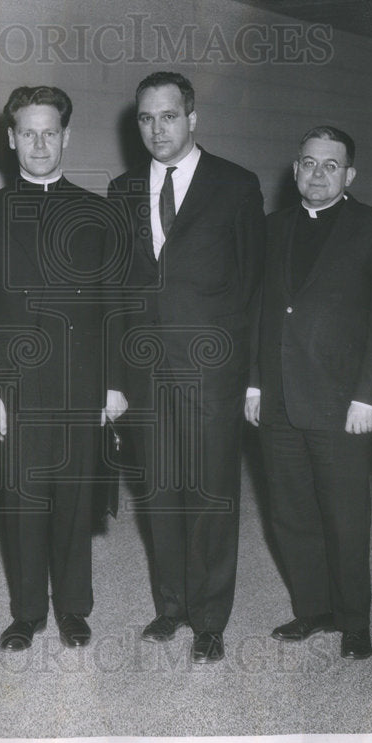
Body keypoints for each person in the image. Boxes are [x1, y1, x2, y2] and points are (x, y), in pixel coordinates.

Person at [106, 72, 264, 663]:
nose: (156, 129)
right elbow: (118, 292)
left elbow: (253, 290)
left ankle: (210, 618)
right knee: (160, 494)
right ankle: (170, 606)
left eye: (168, 116)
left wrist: (250, 377)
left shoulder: (237, 185)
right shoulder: (122, 190)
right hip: (147, 374)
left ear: (192, 118)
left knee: (212, 496)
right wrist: (117, 381)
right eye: (145, 119)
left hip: (212, 374)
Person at [0, 86, 126, 651]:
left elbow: (117, 307)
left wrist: (115, 384)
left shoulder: (100, 212)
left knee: (76, 500)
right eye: (28, 133)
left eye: (49, 132)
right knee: (22, 503)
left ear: (65, 137)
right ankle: (27, 611)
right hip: (14, 390)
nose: (39, 143)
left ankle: (74, 609)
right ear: (10, 139)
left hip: (82, 386)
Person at [245, 126, 372, 660]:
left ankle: (354, 619)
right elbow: (260, 312)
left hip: (342, 406)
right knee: (289, 511)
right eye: (309, 163)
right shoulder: (270, 228)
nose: (317, 173)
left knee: (345, 515)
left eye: (331, 165)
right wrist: (254, 382)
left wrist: (368, 396)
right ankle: (313, 609)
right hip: (279, 398)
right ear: (295, 168)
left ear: (350, 175)